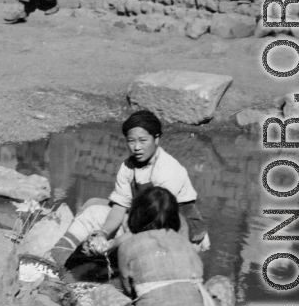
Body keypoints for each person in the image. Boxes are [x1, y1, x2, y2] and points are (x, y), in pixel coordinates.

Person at [49, 110, 209, 275]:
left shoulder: (168, 171)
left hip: (175, 225)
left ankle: (101, 270)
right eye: (131, 141)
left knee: (118, 231)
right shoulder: (128, 166)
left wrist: (113, 243)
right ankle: (58, 259)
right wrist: (103, 233)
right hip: (142, 217)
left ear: (157, 139)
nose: (137, 147)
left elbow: (152, 223)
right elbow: (120, 206)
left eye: (143, 140)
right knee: (93, 209)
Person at [88, 186, 234, 306]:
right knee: (222, 283)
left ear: (136, 214)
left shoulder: (127, 246)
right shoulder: (187, 245)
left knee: (100, 294)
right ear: (175, 217)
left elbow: (130, 291)